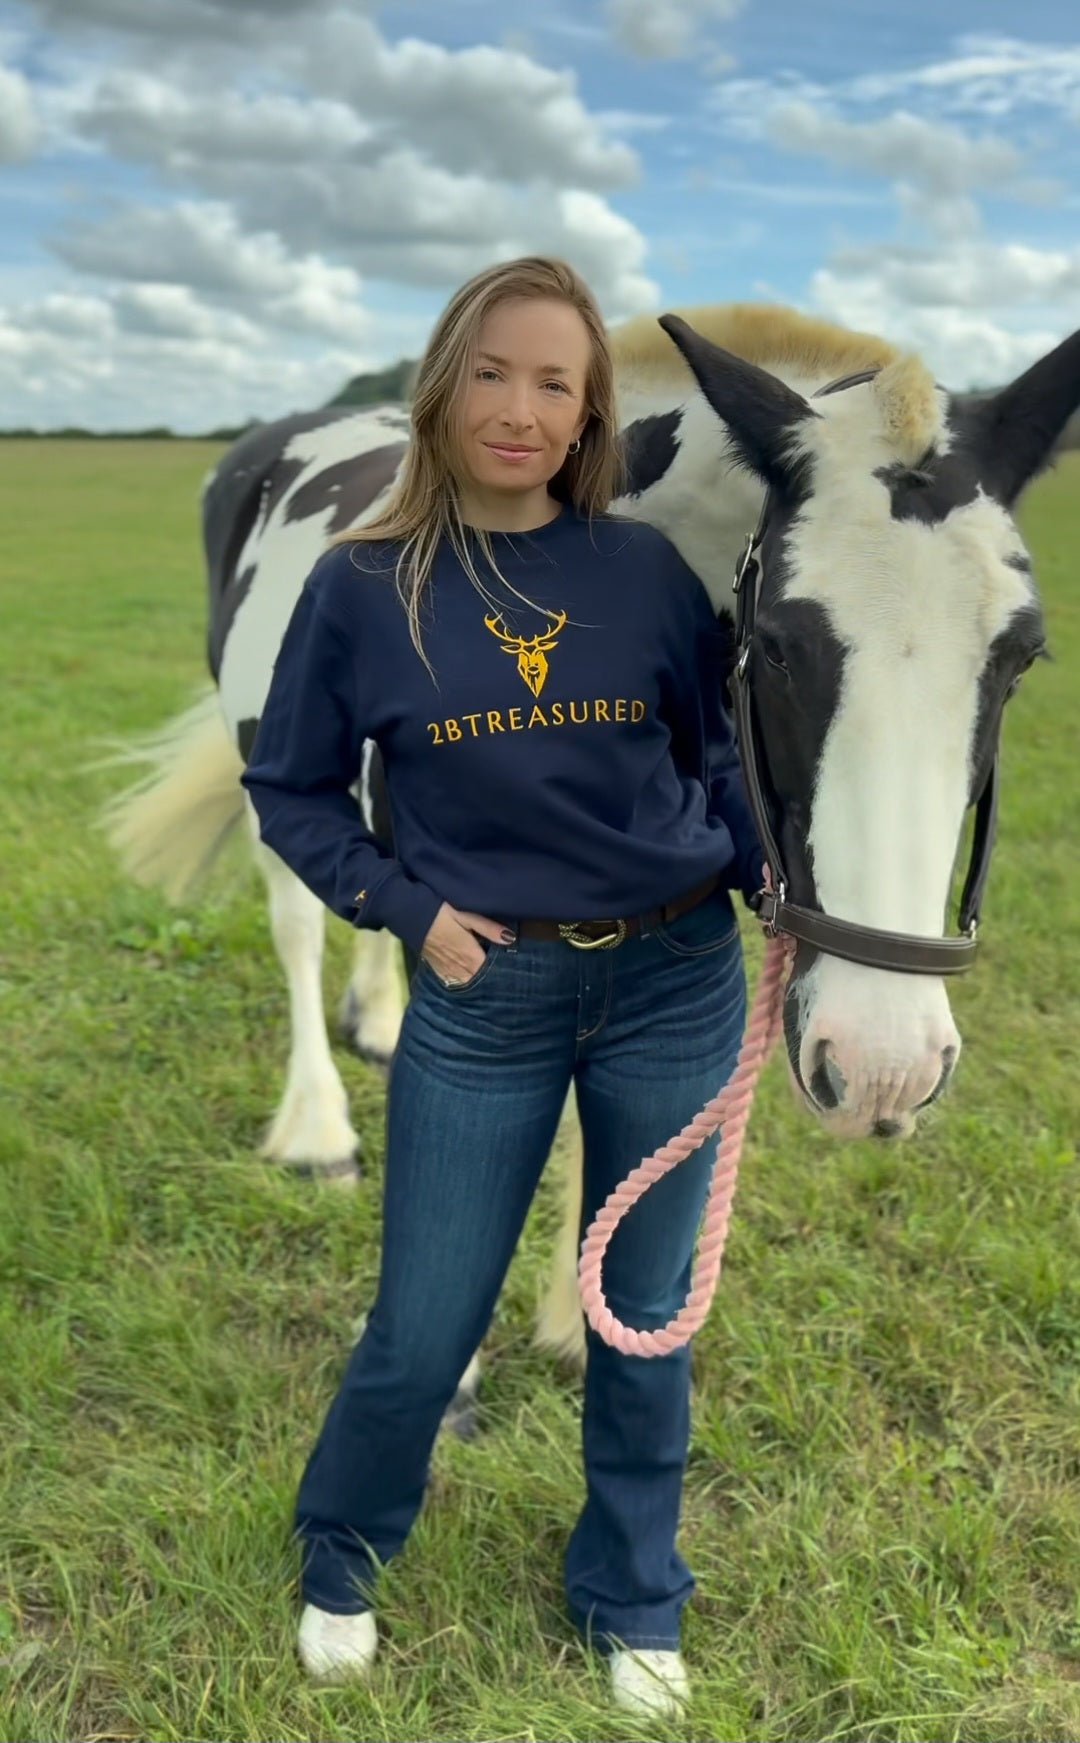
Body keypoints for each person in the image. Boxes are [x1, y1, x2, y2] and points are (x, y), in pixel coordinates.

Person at [241, 255, 763, 1720]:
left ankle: (633, 1591)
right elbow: (291, 791)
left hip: (675, 980)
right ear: (442, 385)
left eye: (555, 383)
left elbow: (717, 759)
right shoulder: (362, 589)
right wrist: (411, 913)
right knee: (425, 1324)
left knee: (643, 1315)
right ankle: (343, 1553)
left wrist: (769, 887)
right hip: (488, 999)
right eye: (492, 373)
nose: (520, 409)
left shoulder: (644, 574)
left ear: (589, 412)